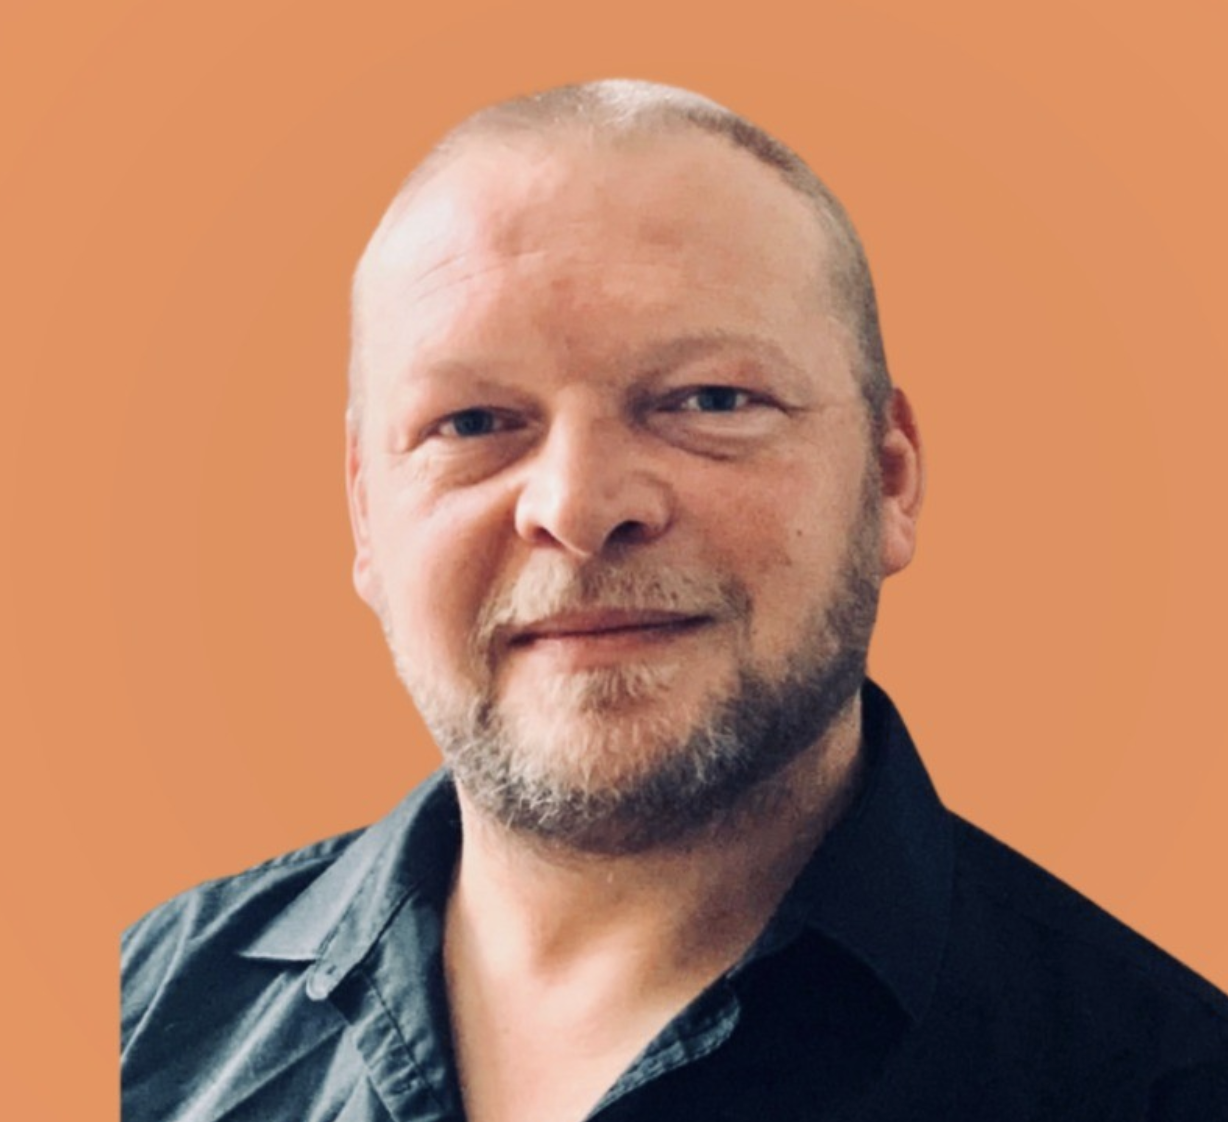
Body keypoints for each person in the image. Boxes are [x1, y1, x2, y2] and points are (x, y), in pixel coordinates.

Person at [120, 79, 1228, 1121]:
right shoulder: (141, 1011)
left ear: (889, 479)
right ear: (367, 516)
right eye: (472, 423)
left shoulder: (1169, 1082)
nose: (578, 506)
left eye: (710, 399)